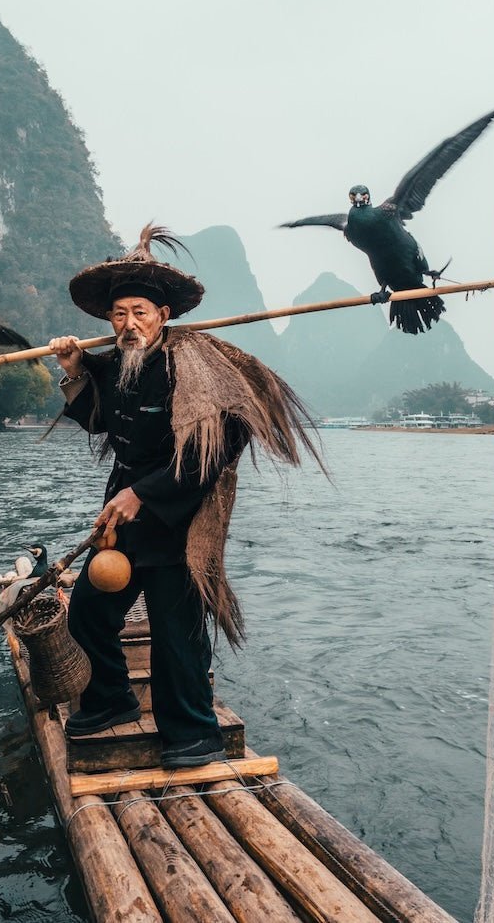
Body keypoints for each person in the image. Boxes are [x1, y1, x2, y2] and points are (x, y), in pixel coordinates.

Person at [49, 223, 321, 768]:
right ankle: (111, 701)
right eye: (119, 314)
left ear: (163, 316)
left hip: (180, 522)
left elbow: (217, 446)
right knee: (87, 615)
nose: (128, 324)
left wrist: (143, 495)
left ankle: (194, 733)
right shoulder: (118, 362)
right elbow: (101, 423)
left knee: (177, 636)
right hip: (122, 522)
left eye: (140, 313)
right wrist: (74, 372)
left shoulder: (195, 367)